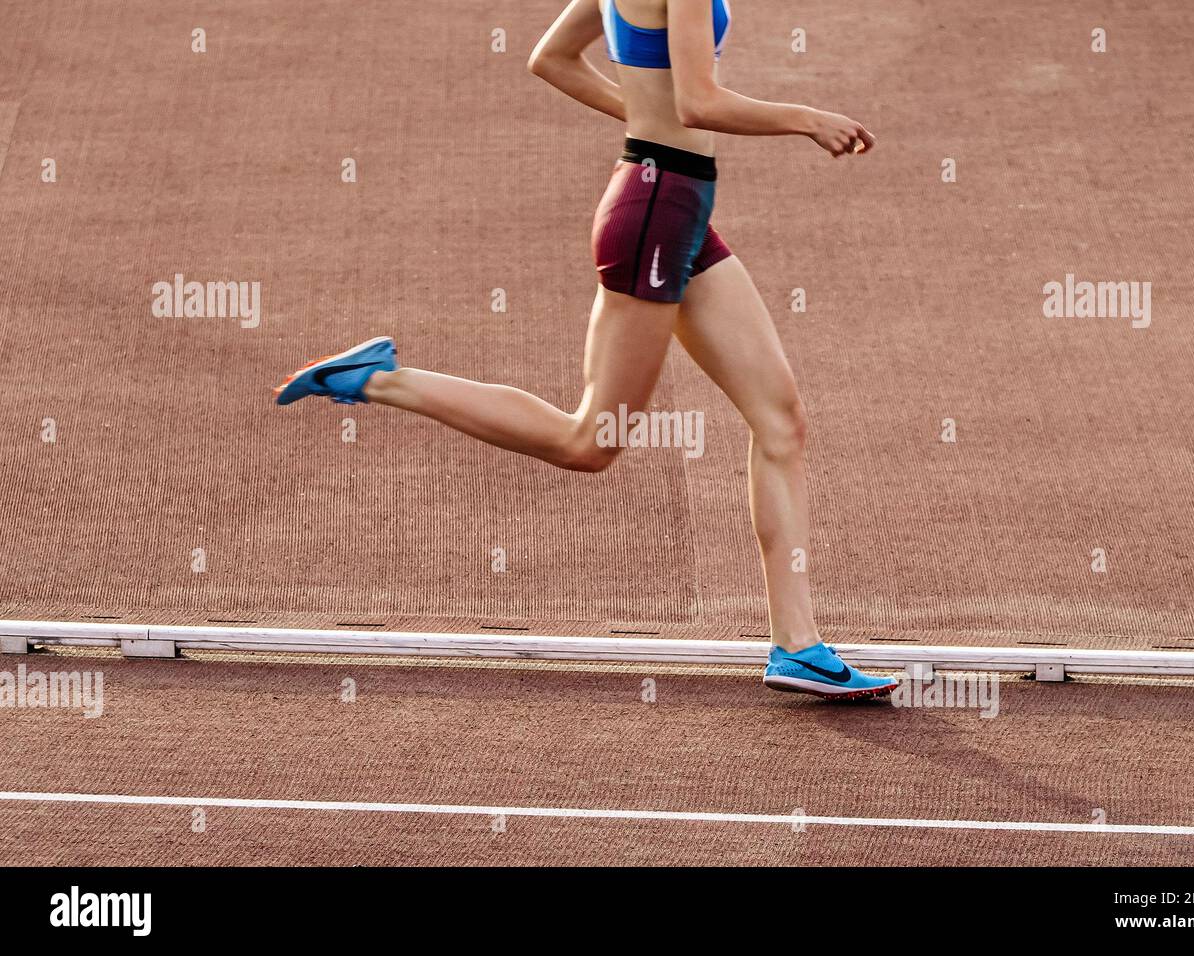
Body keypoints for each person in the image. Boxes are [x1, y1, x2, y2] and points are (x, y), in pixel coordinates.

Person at [275, 0, 897, 700]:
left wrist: (639, 112)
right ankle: (382, 380)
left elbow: (552, 59)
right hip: (657, 214)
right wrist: (806, 118)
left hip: (672, 204)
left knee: (781, 420)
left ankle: (798, 645)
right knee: (589, 442)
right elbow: (697, 101)